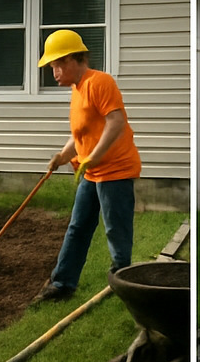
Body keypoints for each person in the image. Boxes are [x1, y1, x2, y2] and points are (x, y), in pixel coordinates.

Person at [33, 29, 142, 303]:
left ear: (72, 60)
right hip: (91, 173)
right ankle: (62, 284)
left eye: (56, 65)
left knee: (116, 230)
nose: (54, 72)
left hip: (115, 171)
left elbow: (115, 122)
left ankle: (124, 282)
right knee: (78, 226)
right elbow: (80, 134)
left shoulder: (100, 82)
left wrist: (94, 155)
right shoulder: (77, 89)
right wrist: (61, 155)